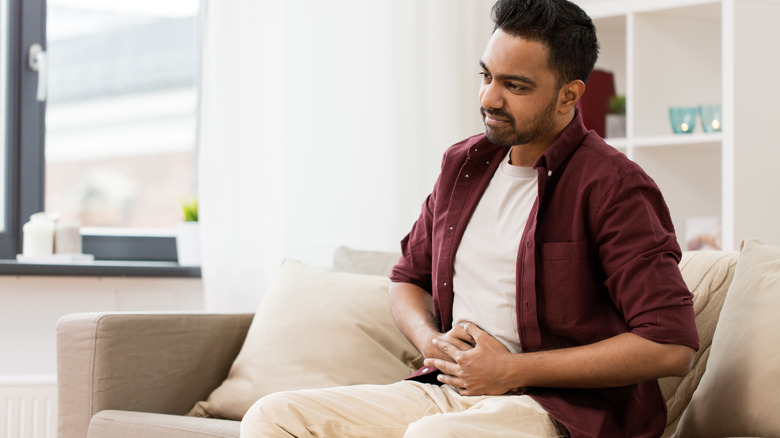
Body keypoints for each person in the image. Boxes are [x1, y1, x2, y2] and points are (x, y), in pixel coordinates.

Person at [241, 0, 699, 436]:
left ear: (569, 95)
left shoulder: (614, 186)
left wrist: (509, 371)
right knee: (274, 417)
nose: (489, 98)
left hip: (559, 411)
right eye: (486, 75)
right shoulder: (461, 165)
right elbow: (407, 278)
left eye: (515, 85)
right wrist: (429, 341)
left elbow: (669, 344)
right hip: (447, 392)